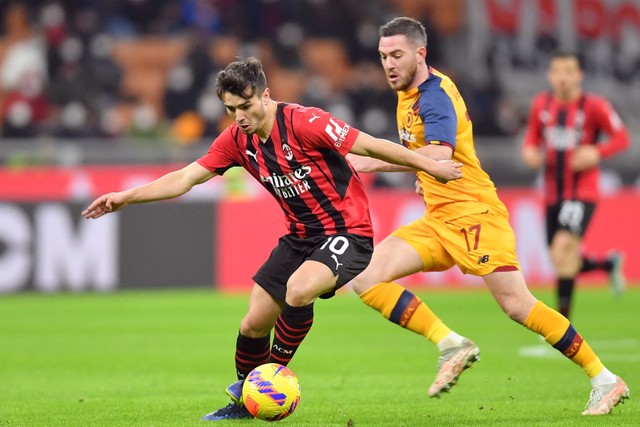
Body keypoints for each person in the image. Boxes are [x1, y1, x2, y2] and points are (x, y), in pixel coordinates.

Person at [82, 57, 463, 421]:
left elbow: (368, 144)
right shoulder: (235, 140)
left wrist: (431, 166)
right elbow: (185, 177)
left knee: (299, 290)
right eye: (232, 110)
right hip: (299, 237)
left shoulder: (306, 122)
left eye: (246, 106)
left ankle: (269, 378)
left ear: (266, 95)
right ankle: (248, 401)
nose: (240, 117)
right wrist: (125, 197)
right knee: (252, 324)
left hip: (347, 232)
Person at [347, 17, 629, 415]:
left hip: (474, 213)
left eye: (396, 55)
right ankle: (451, 344)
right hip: (439, 217)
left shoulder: (433, 95)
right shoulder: (407, 91)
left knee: (517, 305)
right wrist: (420, 175)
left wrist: (374, 162)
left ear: (420, 54)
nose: (388, 64)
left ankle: (604, 379)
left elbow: (441, 154)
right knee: (367, 276)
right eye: (382, 56)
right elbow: (431, 152)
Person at [521, 51, 630, 319]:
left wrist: (596, 152)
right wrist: (530, 153)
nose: (562, 78)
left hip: (582, 192)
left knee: (561, 250)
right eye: (557, 71)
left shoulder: (595, 106)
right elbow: (532, 140)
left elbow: (621, 137)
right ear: (550, 75)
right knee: (562, 260)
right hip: (551, 193)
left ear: (579, 75)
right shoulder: (541, 105)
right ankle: (607, 264)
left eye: (569, 71)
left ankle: (562, 326)